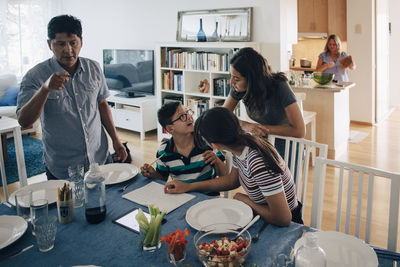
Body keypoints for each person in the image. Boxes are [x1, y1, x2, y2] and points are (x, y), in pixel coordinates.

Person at [17, 15, 127, 180]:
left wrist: (116, 141)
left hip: (100, 159)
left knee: (107, 204)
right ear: (50, 44)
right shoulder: (35, 76)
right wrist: (45, 89)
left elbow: (102, 105)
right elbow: (24, 121)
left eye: (73, 42)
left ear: (81, 42)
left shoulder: (94, 68)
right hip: (62, 168)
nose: (68, 50)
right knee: (68, 206)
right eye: (61, 44)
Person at [164, 107, 303, 226]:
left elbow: (283, 219)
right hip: (266, 216)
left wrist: (245, 199)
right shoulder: (241, 145)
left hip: (285, 225)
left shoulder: (257, 162)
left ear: (215, 146)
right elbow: (232, 180)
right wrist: (188, 186)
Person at [223, 47, 305, 161]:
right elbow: (222, 116)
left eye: (236, 79)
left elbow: (299, 131)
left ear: (252, 80)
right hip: (263, 141)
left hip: (287, 143)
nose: (231, 82)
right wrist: (245, 125)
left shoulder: (279, 86)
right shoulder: (238, 88)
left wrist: (259, 129)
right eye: (231, 76)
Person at [140, 102, 227, 196]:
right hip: (181, 198)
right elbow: (162, 180)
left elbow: (224, 175)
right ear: (170, 129)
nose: (189, 117)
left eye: (188, 112)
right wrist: (153, 174)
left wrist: (217, 161)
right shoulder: (164, 151)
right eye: (182, 116)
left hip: (208, 198)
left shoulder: (206, 142)